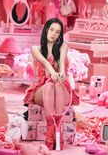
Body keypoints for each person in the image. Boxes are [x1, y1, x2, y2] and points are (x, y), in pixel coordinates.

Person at [23, 18, 79, 150]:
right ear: (46, 29)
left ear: (60, 35)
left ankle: (58, 129)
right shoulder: (35, 49)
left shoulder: (63, 47)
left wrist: (61, 73)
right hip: (43, 88)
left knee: (58, 85)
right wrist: (51, 71)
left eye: (58, 32)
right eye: (51, 29)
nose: (54, 34)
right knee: (49, 84)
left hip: (60, 88)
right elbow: (46, 64)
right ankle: (50, 130)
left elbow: (62, 68)